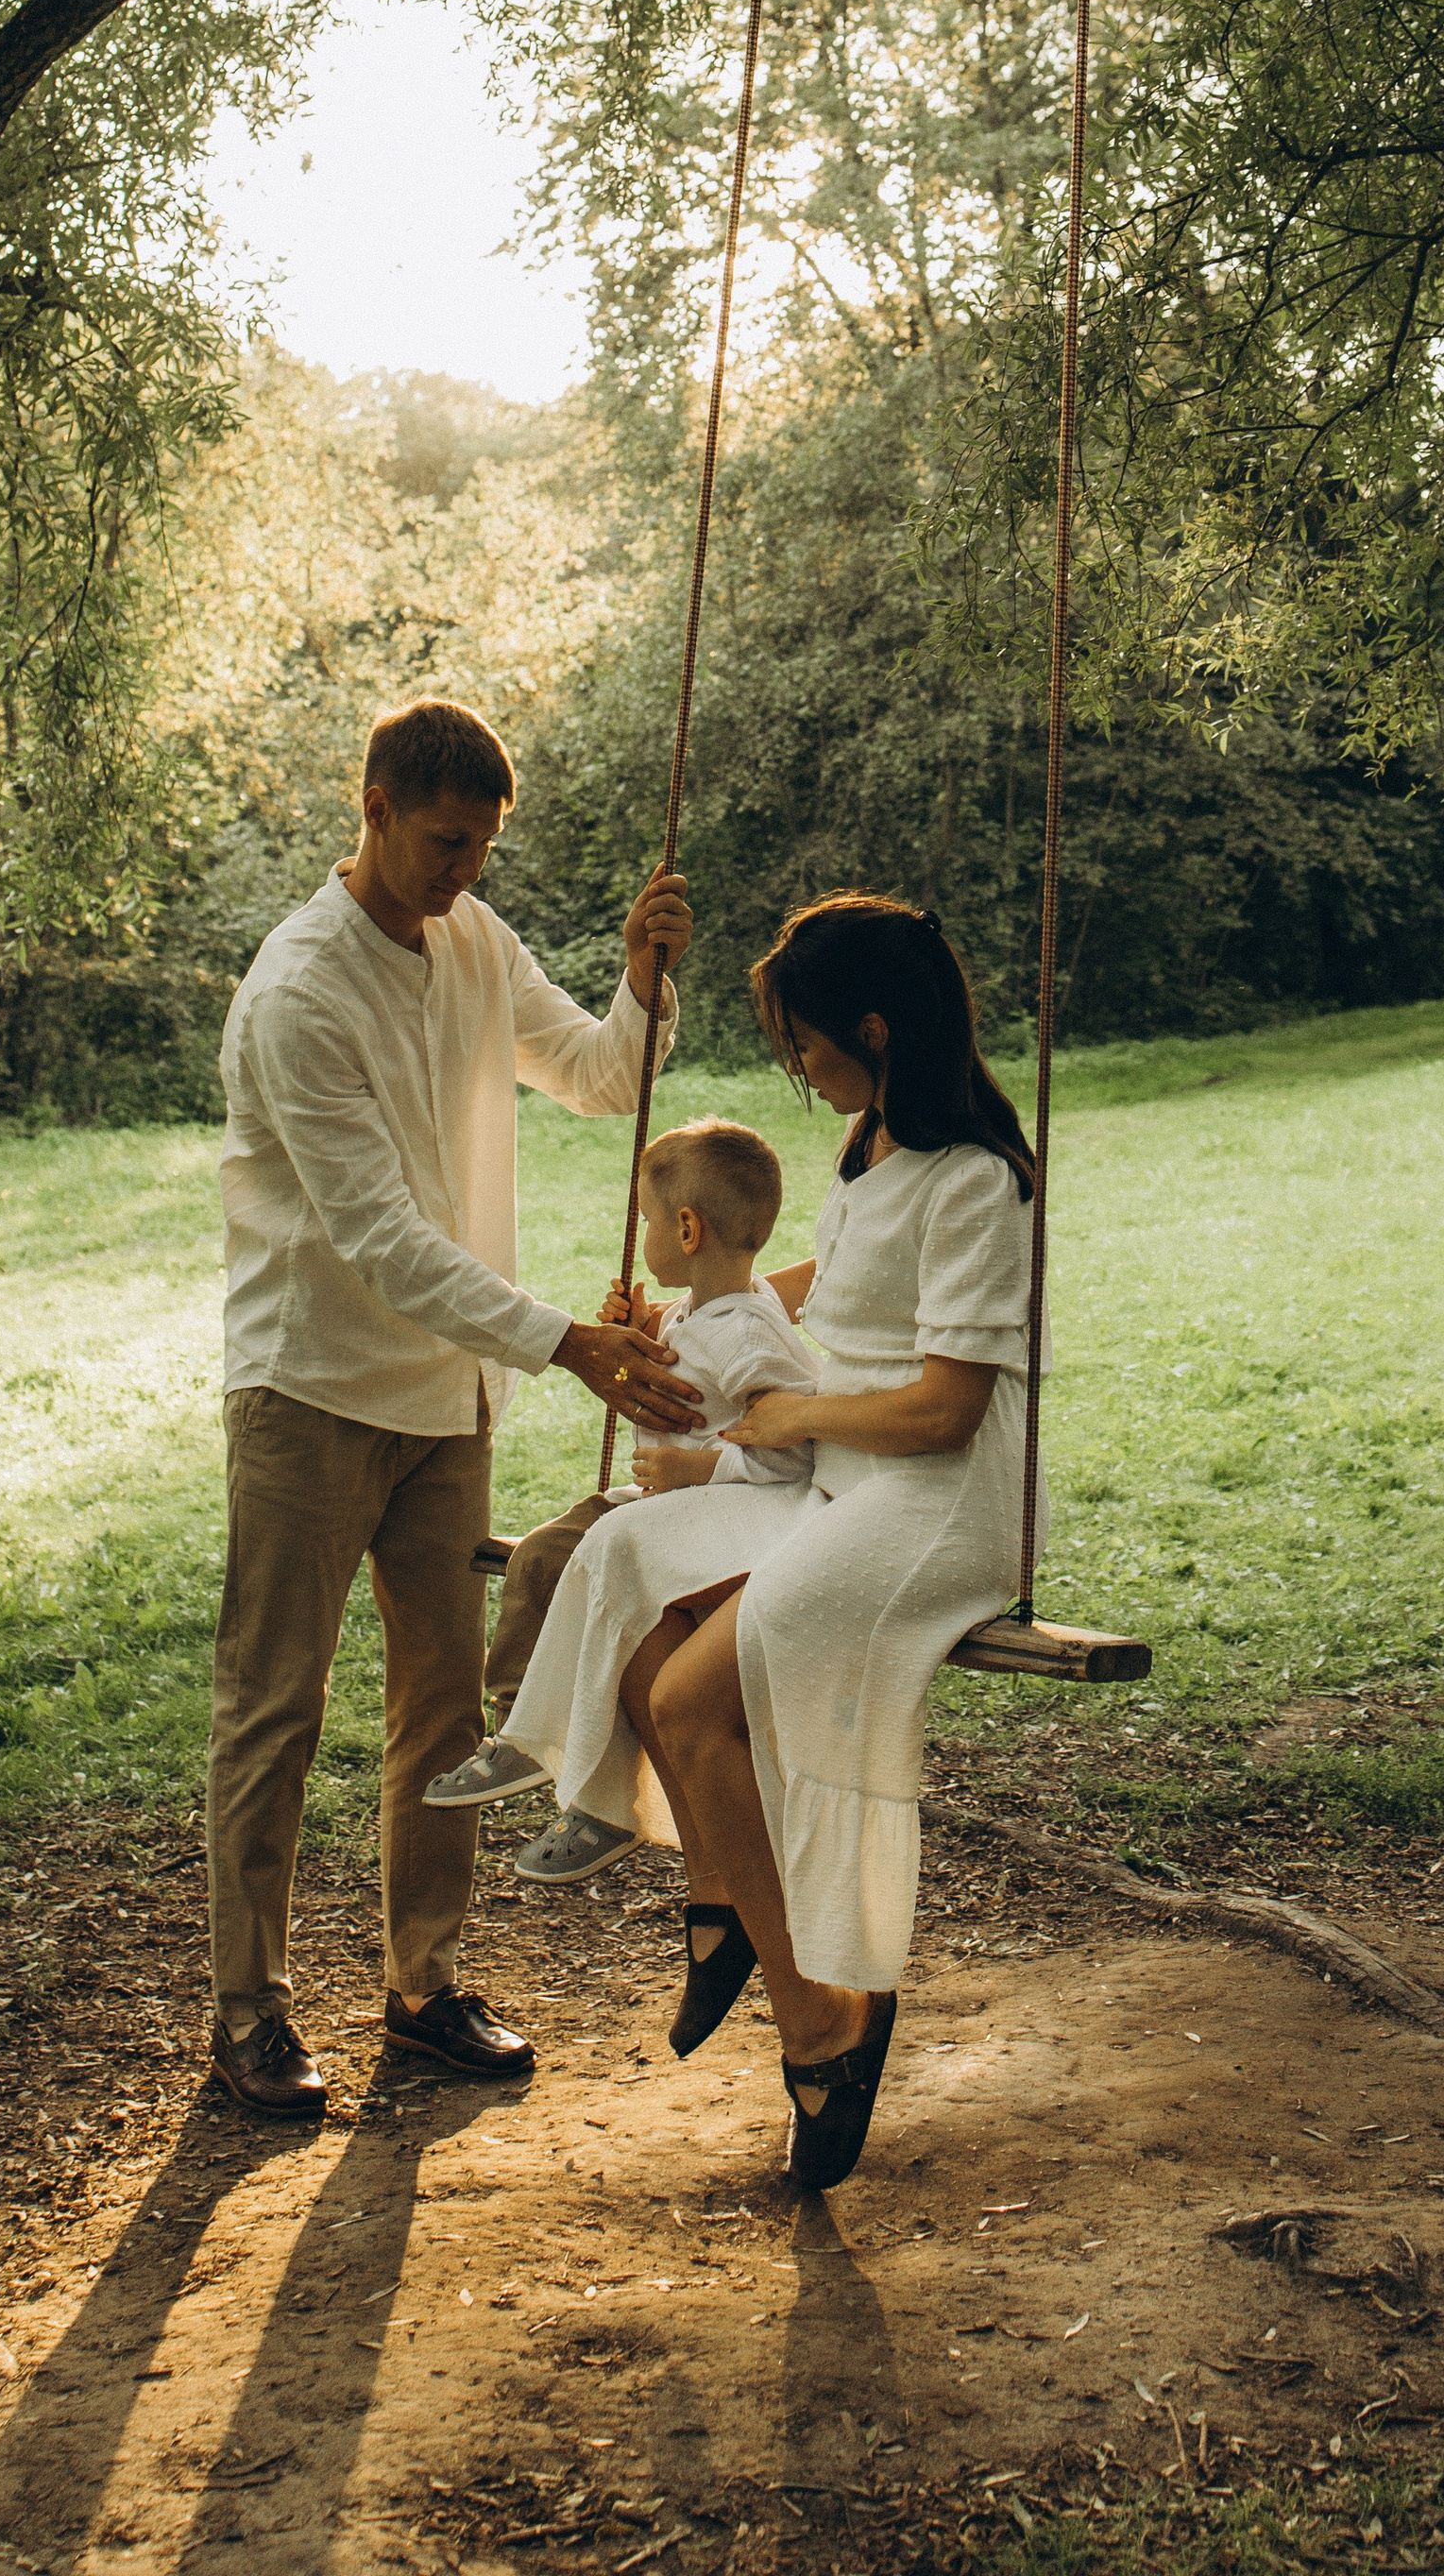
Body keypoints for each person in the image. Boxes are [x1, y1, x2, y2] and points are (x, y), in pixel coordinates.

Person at [205, 695, 705, 2119]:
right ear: (372, 807)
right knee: (275, 1708)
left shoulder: (474, 940)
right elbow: (378, 1239)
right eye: (442, 842)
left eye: (481, 849)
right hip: (307, 1386)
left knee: (442, 1710)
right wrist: (567, 1345)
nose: (462, 873)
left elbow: (609, 1080)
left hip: (447, 1395)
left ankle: (423, 1988)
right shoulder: (299, 990)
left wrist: (641, 977)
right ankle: (247, 2012)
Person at [503, 896, 1043, 2186]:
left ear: (870, 1026)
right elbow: (839, 1277)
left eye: (806, 1044)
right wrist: (715, 1295)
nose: (797, 1070)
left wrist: (789, 1409)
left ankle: (821, 2019)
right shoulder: (871, 1145)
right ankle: (739, 1914)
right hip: (837, 1482)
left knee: (693, 1709)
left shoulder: (979, 1181)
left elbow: (947, 1405)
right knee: (647, 1658)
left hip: (936, 1501)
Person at [427, 1115, 817, 1886]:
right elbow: (676, 1386)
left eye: (646, 1221)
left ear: (686, 1226)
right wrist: (635, 1334)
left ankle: (571, 1778)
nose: (641, 1235)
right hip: (652, 1510)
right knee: (541, 1555)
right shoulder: (693, 1313)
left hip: (716, 1520)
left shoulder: (753, 1334)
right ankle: (522, 1730)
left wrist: (704, 1471)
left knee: (584, 1583)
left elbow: (795, 1447)